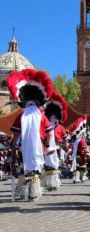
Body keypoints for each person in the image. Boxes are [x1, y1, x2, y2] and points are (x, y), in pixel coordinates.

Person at [7, 69, 54, 201]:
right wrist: (48, 143)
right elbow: (50, 131)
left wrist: (13, 147)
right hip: (39, 146)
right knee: (36, 169)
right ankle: (32, 192)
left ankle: (26, 191)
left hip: (24, 147)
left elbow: (16, 134)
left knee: (25, 169)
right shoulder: (41, 118)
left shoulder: (22, 116)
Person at [42, 91, 68, 191]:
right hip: (47, 146)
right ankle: (48, 183)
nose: (53, 119)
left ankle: (54, 182)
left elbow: (65, 138)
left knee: (55, 164)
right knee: (47, 165)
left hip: (57, 147)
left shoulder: (60, 127)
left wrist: (65, 146)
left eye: (55, 117)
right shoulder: (45, 126)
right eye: (51, 117)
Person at [68, 115, 90, 183]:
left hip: (77, 156)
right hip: (81, 156)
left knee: (78, 167)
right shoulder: (82, 140)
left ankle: (77, 177)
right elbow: (85, 149)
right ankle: (80, 177)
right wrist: (89, 153)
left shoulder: (76, 141)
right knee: (82, 167)